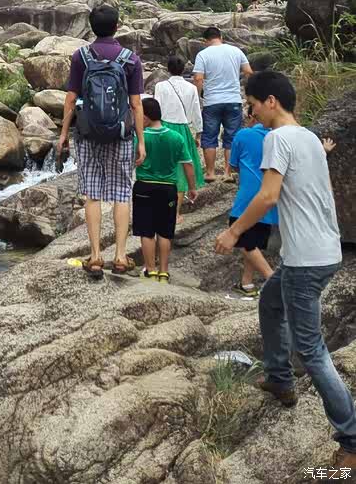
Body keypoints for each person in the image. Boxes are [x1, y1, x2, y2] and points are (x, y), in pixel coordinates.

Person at [215, 71, 356, 470]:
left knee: (312, 350)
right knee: (270, 302)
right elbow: (324, 193)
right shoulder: (310, 138)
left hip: (306, 259)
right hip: (325, 252)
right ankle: (279, 377)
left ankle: (351, 437)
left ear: (271, 101)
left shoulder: (277, 138)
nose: (251, 110)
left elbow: (268, 195)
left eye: (253, 103)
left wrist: (234, 232)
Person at [57, 4, 145, 280]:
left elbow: (71, 99)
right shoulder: (130, 59)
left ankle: (95, 256)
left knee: (92, 193)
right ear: (117, 26)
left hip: (88, 133)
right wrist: (141, 141)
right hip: (120, 134)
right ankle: (120, 255)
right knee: (121, 192)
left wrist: (63, 135)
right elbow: (136, 104)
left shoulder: (80, 56)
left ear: (91, 27)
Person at [133, 97, 196, 283]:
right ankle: (164, 271)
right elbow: (188, 164)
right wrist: (192, 187)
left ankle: (150, 270)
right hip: (168, 189)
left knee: (146, 231)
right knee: (165, 231)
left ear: (145, 117)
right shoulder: (176, 137)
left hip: (144, 186)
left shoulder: (140, 138)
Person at [226, 104, 277, 297]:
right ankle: (246, 283)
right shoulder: (279, 137)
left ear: (252, 116)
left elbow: (234, 165)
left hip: (247, 200)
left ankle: (272, 280)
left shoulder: (243, 135)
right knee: (252, 244)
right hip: (270, 202)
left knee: (243, 240)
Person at [193, 27, 253, 181]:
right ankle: (228, 173)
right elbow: (248, 72)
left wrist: (198, 97)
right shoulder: (236, 51)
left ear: (205, 40)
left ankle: (211, 173)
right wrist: (248, 94)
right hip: (233, 99)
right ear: (220, 36)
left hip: (212, 102)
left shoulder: (203, 54)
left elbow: (198, 78)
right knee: (232, 136)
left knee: (209, 136)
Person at [154, 55, 204, 222]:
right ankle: (175, 213)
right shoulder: (190, 88)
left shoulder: (160, 86)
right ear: (183, 70)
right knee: (181, 171)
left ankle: (160, 209)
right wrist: (198, 133)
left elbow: (156, 108)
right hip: (182, 129)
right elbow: (197, 111)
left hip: (163, 128)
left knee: (162, 168)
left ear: (168, 69)